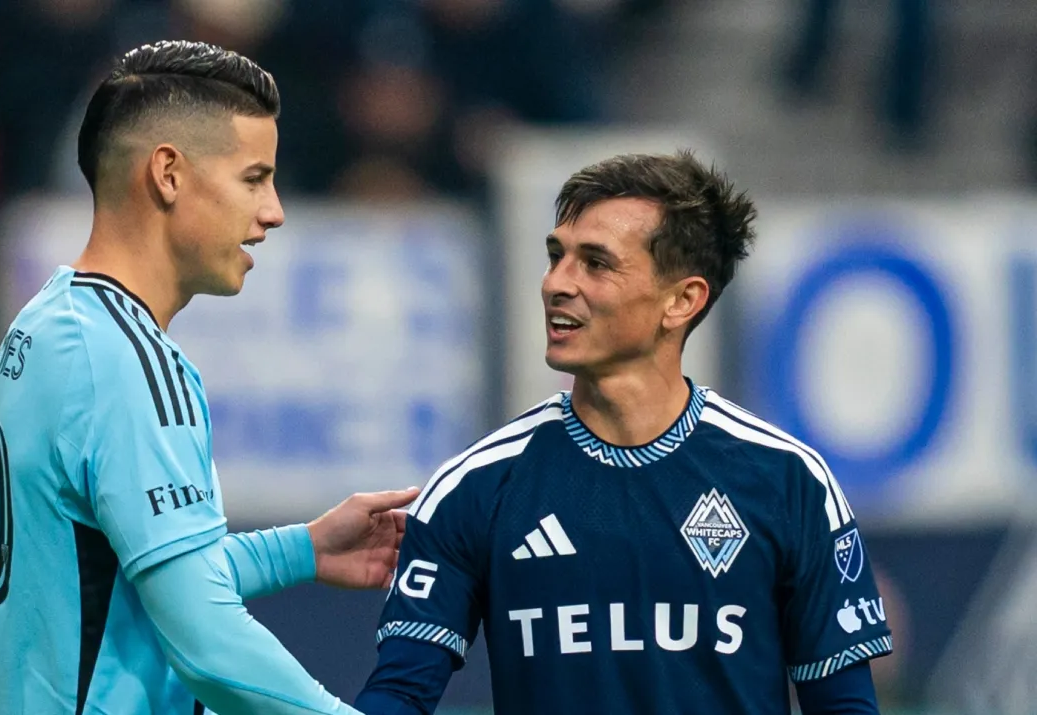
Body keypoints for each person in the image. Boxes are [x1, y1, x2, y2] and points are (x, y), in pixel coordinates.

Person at [353, 152, 892, 715]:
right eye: (555, 256)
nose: (557, 284)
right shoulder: (475, 487)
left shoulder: (787, 481)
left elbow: (844, 707)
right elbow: (399, 695)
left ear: (682, 300)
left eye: (596, 263)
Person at [0, 40, 418, 715]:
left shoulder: (46, 326)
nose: (273, 210)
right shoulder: (125, 362)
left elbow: (120, 576)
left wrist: (300, 548)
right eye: (253, 177)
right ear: (168, 173)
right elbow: (208, 644)